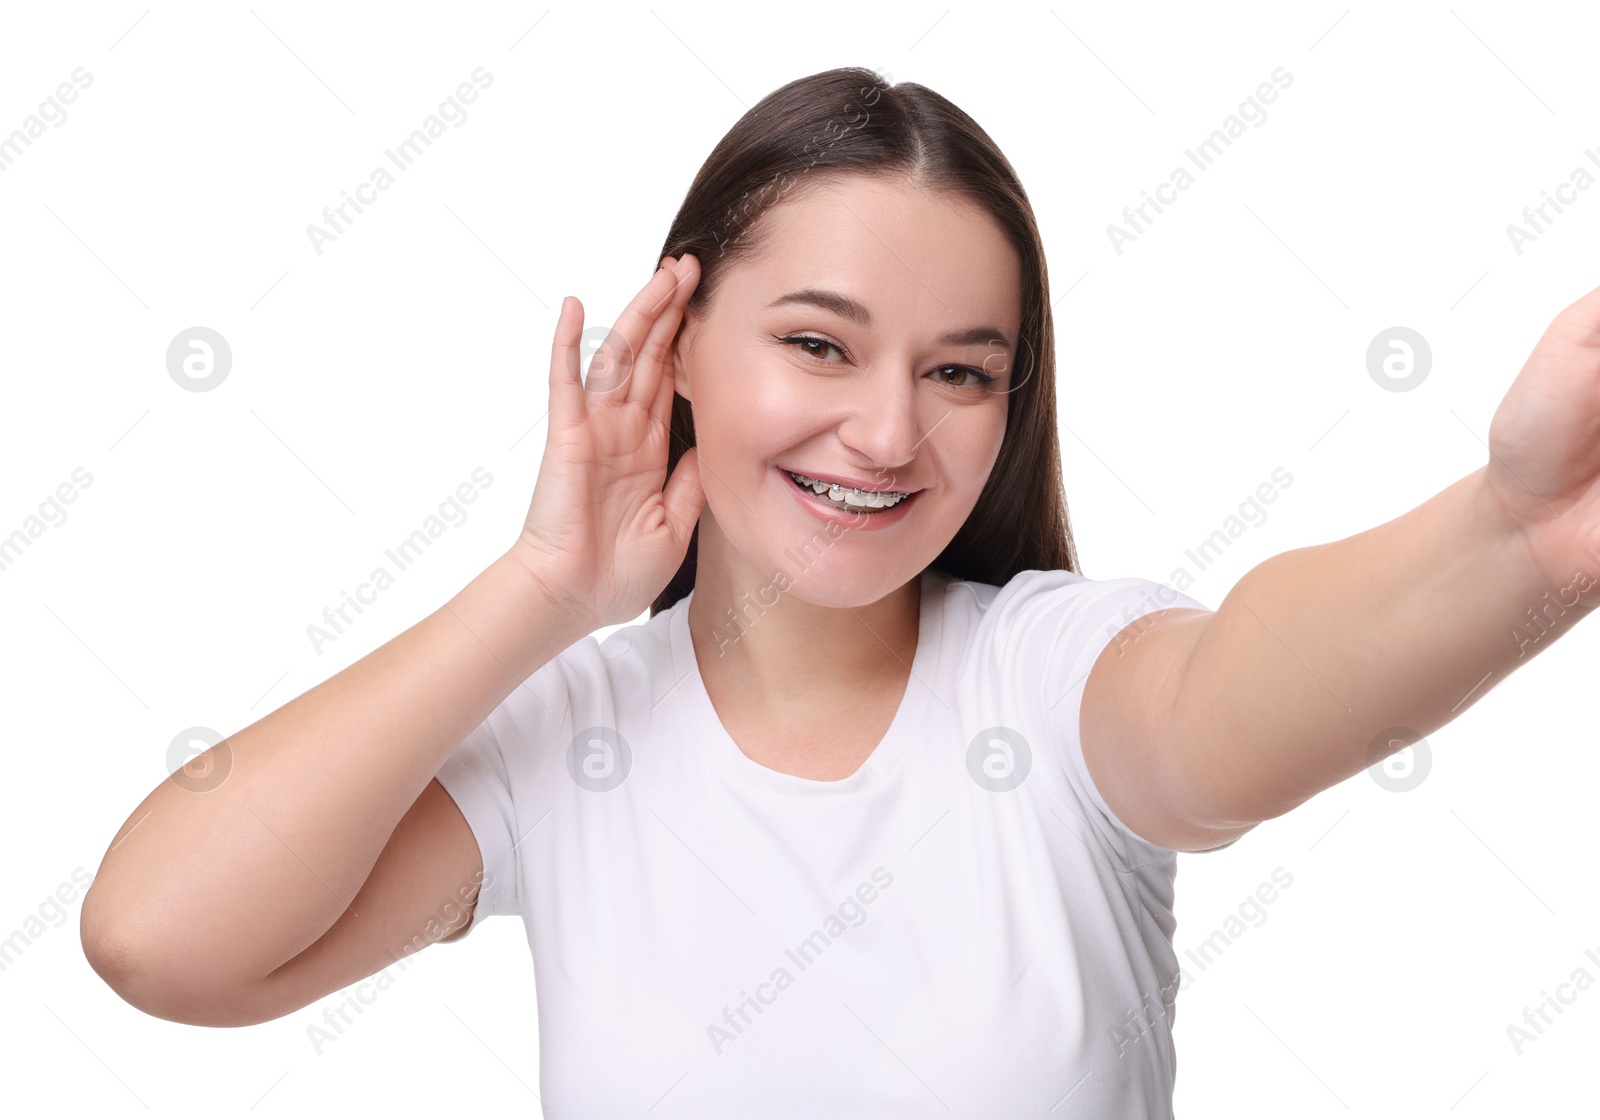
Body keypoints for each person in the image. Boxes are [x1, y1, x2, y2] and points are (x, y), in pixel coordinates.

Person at [79, 66, 1600, 1117]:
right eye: (819, 343)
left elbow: (1231, 703)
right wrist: (547, 585)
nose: (885, 432)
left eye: (960, 372)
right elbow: (161, 940)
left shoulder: (1050, 680)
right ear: (673, 346)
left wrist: (1516, 537)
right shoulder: (571, 738)